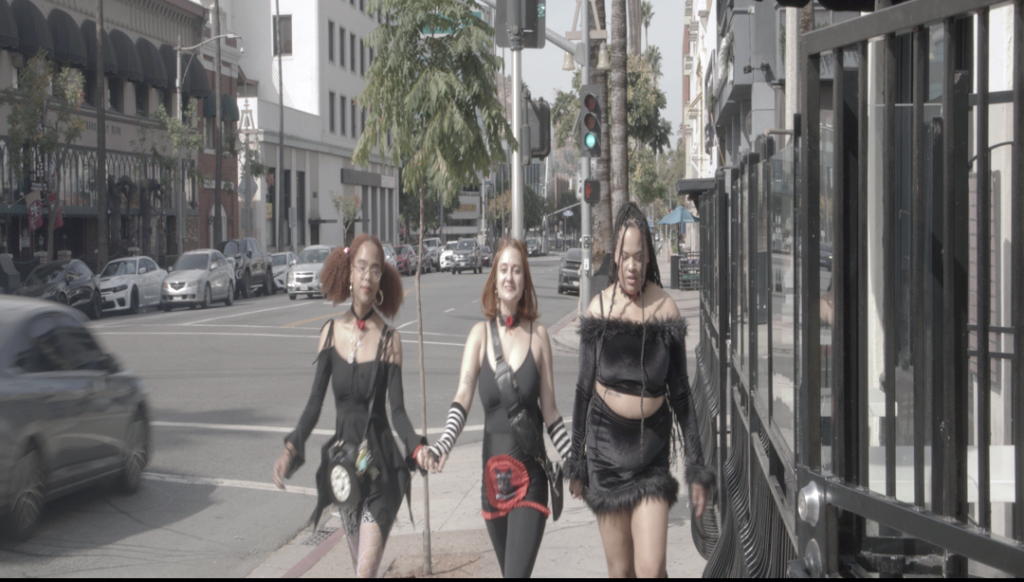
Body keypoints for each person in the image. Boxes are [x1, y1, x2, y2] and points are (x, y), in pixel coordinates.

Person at [564, 202, 714, 578]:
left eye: (639, 257)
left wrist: (696, 467)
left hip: (650, 459)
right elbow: (583, 391)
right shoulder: (598, 310)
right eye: (625, 257)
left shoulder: (666, 311)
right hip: (605, 456)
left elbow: (682, 397)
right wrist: (578, 462)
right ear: (615, 256)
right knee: (622, 572)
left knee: (651, 568)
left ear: (649, 257)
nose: (632, 266)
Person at [272, 234, 431, 578]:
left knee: (364, 574)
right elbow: (315, 402)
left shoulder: (390, 340)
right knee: (364, 570)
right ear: (349, 273)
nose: (367, 276)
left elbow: (397, 411)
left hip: (381, 470)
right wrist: (291, 448)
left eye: (376, 270)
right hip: (344, 471)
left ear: (381, 280)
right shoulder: (330, 333)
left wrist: (417, 447)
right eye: (362, 267)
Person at [425, 237, 571, 578]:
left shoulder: (539, 336)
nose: (509, 277)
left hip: (531, 479)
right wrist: (444, 443)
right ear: (494, 279)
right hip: (492, 483)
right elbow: (462, 395)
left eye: (517, 270)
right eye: (503, 269)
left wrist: (573, 460)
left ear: (525, 281)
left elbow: (550, 412)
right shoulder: (478, 335)